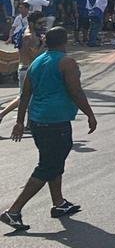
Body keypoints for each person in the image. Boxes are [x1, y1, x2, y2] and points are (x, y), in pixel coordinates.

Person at [1, 28, 96, 233]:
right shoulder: (66, 63)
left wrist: (19, 122)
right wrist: (90, 114)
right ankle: (13, 211)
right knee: (49, 165)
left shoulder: (37, 61)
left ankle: (59, 203)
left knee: (53, 160)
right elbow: (76, 91)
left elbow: (25, 94)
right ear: (64, 41)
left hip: (37, 121)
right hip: (55, 121)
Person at [0, 13, 45, 126]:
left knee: (32, 96)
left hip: (29, 69)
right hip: (26, 70)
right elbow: (34, 56)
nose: (42, 25)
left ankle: (30, 123)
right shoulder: (28, 36)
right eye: (40, 23)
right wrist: (43, 44)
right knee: (23, 97)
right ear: (31, 23)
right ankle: (2, 114)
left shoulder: (33, 34)